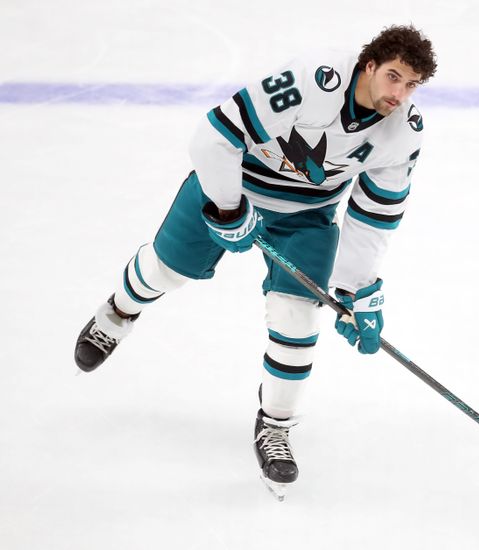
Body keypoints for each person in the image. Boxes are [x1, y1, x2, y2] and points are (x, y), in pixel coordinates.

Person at [73, 25, 437, 499]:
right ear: (368, 65)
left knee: (299, 317)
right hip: (234, 185)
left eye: (411, 85)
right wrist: (227, 207)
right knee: (166, 270)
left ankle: (276, 427)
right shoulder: (311, 79)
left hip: (306, 217)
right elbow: (213, 136)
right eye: (394, 78)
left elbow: (375, 215)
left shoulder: (403, 133)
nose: (400, 94)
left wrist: (356, 289)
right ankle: (116, 314)